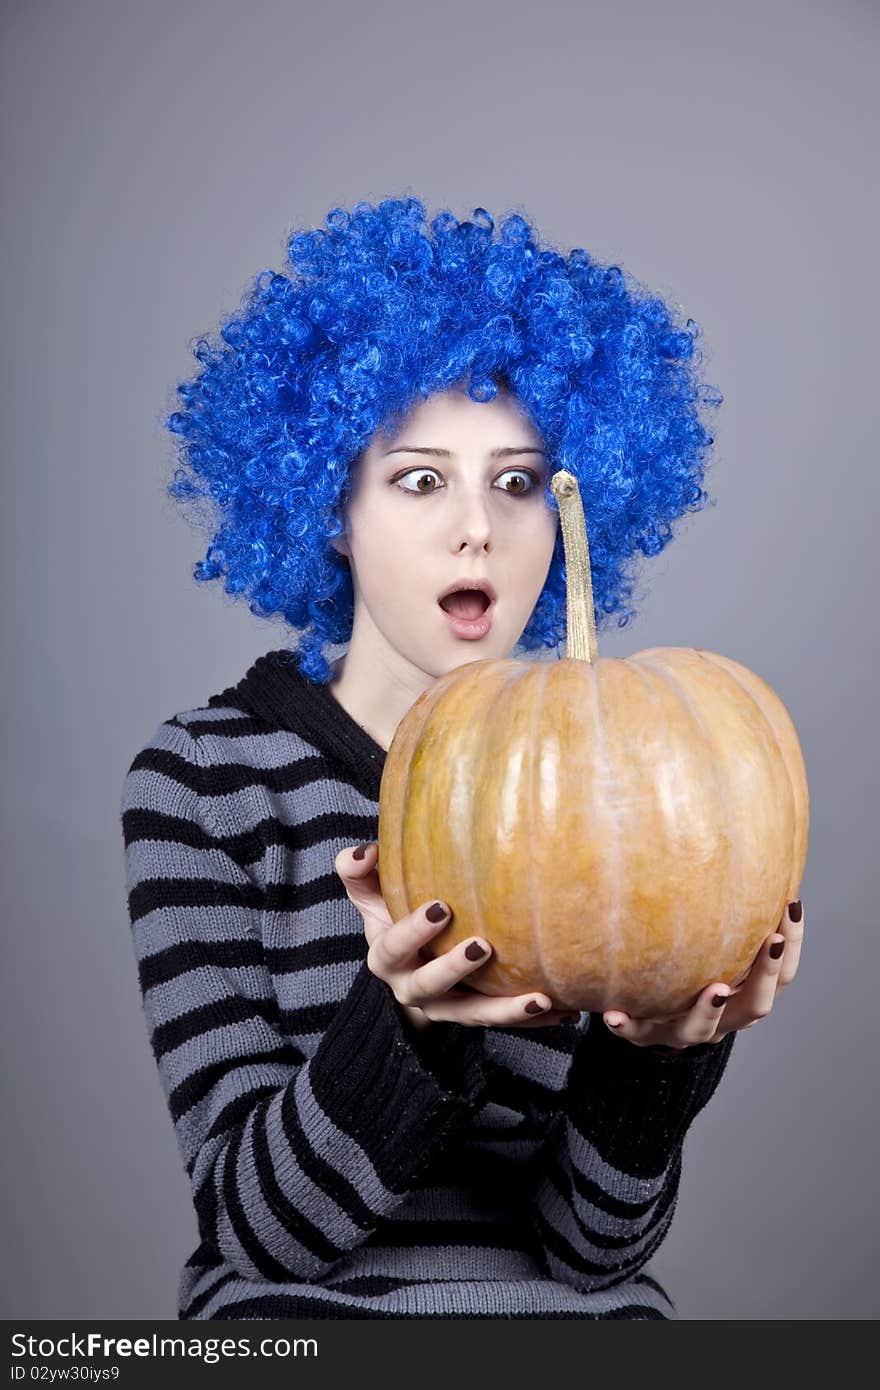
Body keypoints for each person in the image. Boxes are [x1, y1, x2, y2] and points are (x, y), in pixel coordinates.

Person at [120, 196, 804, 1320]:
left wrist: (663, 1052)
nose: (478, 526)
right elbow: (260, 1234)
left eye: (521, 481)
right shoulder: (203, 781)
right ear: (330, 508)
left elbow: (592, 1255)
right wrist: (405, 1023)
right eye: (422, 479)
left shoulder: (618, 779)